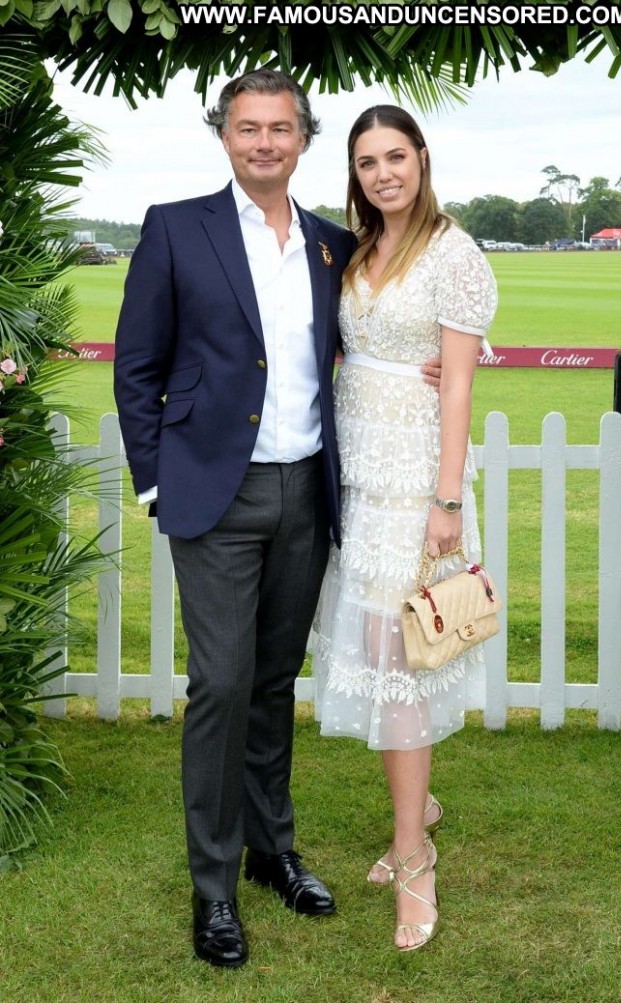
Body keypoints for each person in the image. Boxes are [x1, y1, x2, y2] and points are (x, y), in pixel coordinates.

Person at [113, 69, 358, 970]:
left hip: (306, 493)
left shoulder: (332, 244)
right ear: (224, 135)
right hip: (215, 495)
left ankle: (270, 849)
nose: (264, 142)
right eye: (248, 127)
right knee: (222, 681)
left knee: (273, 680)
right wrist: (155, 482)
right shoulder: (176, 228)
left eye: (279, 128)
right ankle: (213, 887)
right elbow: (137, 365)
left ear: (303, 138)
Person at [313, 105, 498, 952]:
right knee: (377, 649)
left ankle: (414, 854)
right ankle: (415, 806)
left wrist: (446, 500)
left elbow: (455, 383)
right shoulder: (357, 249)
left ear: (422, 158)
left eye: (396, 156)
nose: (383, 172)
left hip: (416, 482)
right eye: (367, 161)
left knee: (400, 660)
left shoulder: (453, 253)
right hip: (358, 475)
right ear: (355, 173)